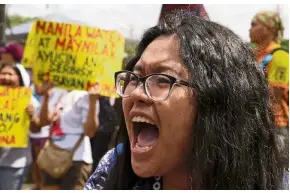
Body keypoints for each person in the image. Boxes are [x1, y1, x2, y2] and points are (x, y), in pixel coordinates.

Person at [85, 11, 286, 190]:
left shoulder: (275, 181)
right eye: (135, 77)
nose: (137, 93)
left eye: (162, 80)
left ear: (217, 100)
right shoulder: (113, 169)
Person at [38, 83, 100, 190]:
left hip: (77, 160)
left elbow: (90, 132)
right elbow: (43, 122)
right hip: (52, 156)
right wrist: (46, 97)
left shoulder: (86, 95)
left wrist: (93, 102)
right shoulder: (56, 91)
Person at [250, 10, 289, 168]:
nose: (249, 29)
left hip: (275, 125)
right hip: (256, 123)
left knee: (276, 173)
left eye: (254, 25)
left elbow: (275, 94)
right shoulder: (254, 56)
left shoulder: (279, 56)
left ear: (269, 29)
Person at [0, 64, 40, 190]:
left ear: (19, 78)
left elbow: (36, 129)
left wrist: (32, 116)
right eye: (2, 73)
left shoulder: (28, 100)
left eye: (10, 74)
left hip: (14, 163)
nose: (5, 77)